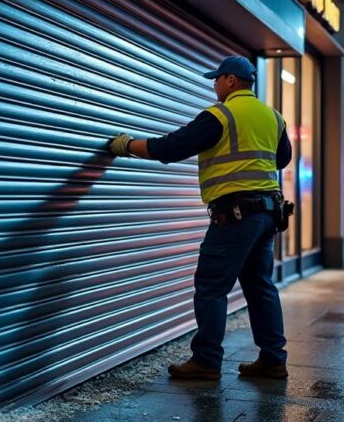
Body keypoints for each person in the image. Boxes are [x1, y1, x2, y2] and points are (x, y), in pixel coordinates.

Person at [108, 55, 291, 380]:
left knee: (211, 285)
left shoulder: (219, 115)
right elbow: (283, 158)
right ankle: (273, 358)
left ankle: (206, 361)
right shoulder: (273, 116)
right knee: (260, 285)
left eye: (217, 79)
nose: (214, 84)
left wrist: (126, 146)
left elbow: (170, 148)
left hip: (235, 215)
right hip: (266, 214)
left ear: (231, 80)